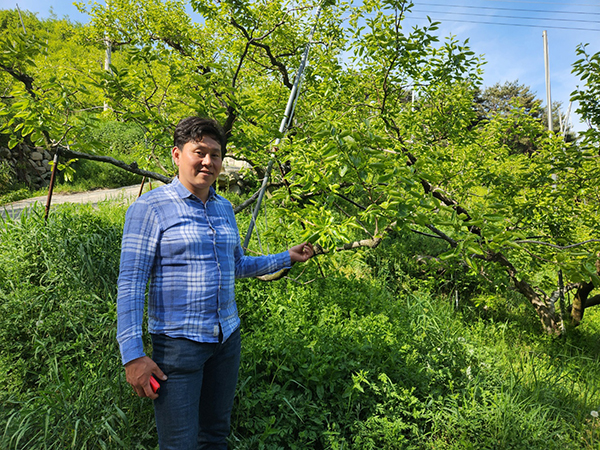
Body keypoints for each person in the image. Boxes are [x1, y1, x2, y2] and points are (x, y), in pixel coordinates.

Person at [116, 117, 314, 450]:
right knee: (179, 443)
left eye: (216, 154)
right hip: (178, 347)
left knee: (215, 436)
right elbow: (131, 284)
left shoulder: (224, 209)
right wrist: (133, 356)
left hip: (226, 341)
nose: (208, 161)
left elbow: (236, 266)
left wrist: (285, 257)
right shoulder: (150, 208)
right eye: (199, 152)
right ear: (177, 155)